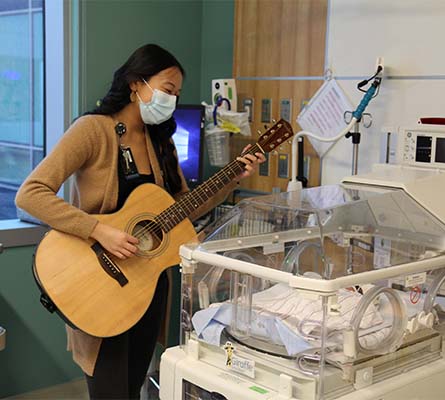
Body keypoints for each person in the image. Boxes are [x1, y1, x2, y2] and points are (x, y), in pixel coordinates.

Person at [15, 43, 265, 399]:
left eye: (176, 94)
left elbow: (183, 210)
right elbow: (30, 194)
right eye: (167, 89)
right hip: (100, 282)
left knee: (131, 391)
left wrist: (233, 176)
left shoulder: (160, 143)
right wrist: (99, 230)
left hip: (147, 286)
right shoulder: (92, 130)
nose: (172, 100)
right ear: (136, 83)